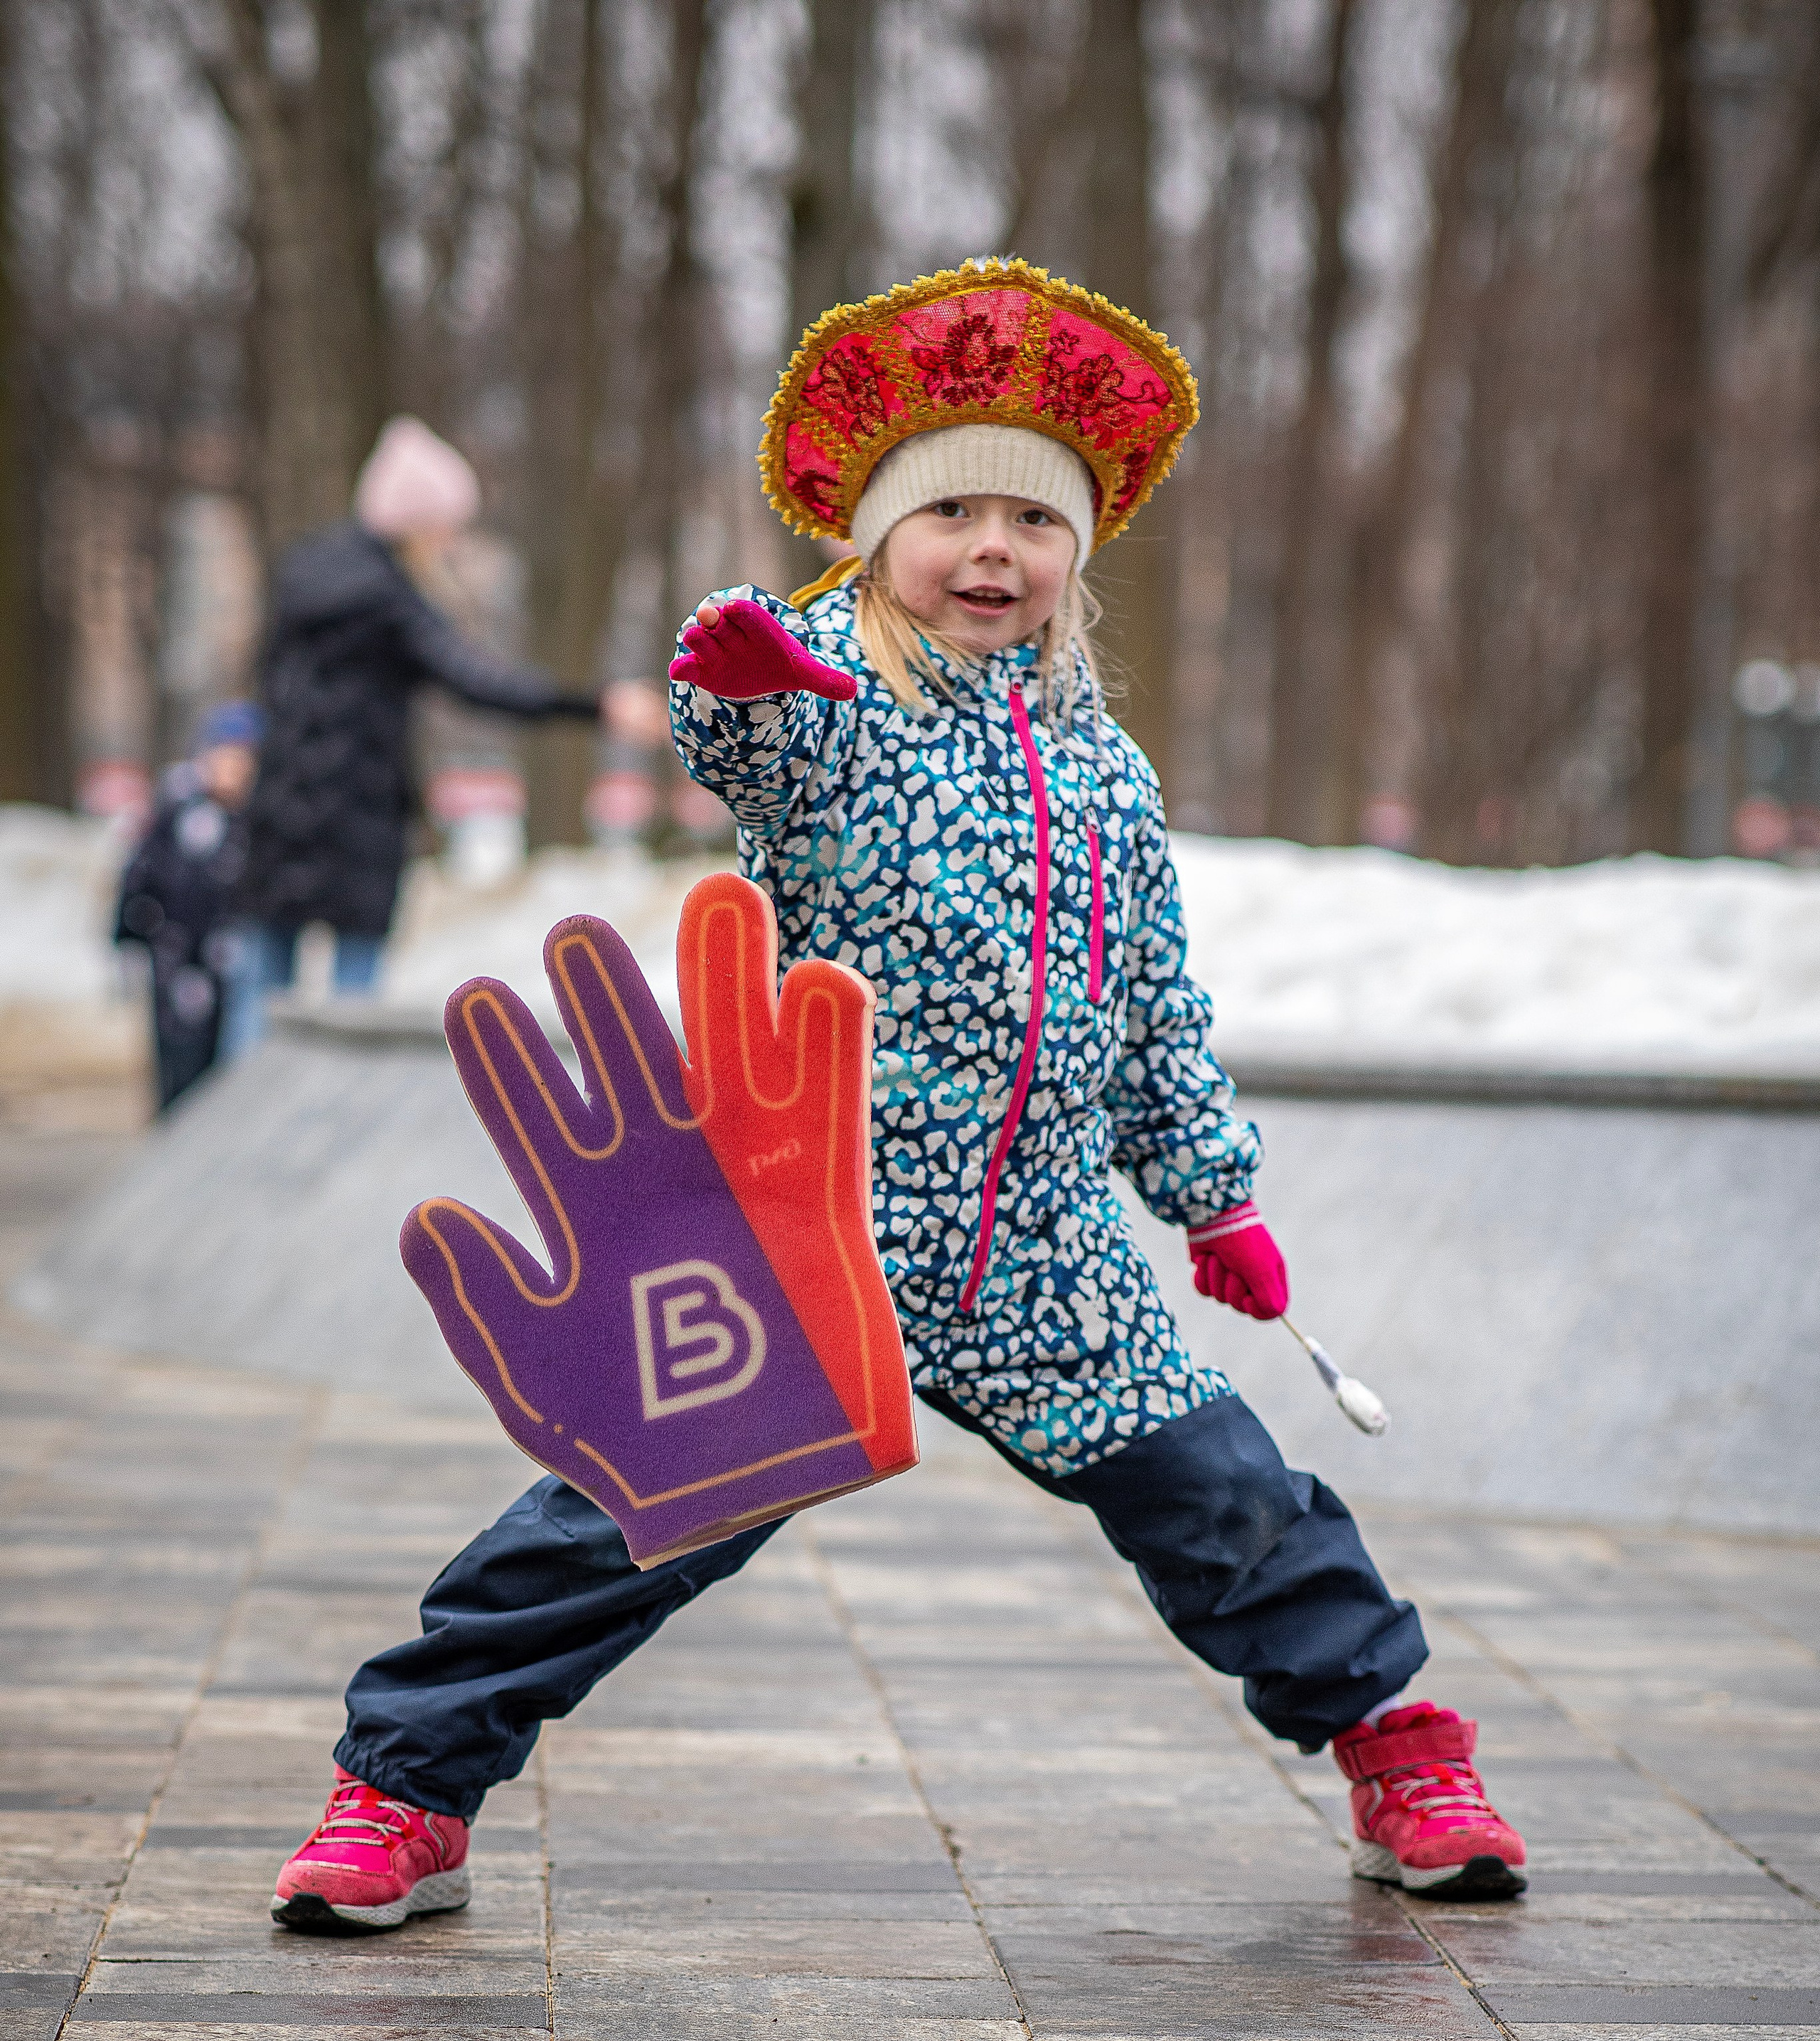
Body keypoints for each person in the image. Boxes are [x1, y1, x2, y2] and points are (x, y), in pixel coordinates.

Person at [270, 261, 1528, 1934]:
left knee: (1226, 1502)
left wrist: (1210, 1193)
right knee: (618, 1520)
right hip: (809, 1226)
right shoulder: (834, 706)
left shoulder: (1106, 774)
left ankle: (1393, 1745)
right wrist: (739, 691)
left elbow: (1151, 1003)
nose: (989, 547)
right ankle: (404, 1788)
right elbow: (746, 741)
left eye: (1030, 515)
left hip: (1043, 1248)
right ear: (873, 538)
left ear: (1077, 549)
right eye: (948, 515)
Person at [236, 416, 606, 1036]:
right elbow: (474, 679)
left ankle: (235, 1122)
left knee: (258, 993)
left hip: (280, 812)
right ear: (418, 522)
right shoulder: (391, 600)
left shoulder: (302, 576)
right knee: (353, 1010)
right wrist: (589, 706)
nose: (451, 541)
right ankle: (335, 1126)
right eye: (448, 527)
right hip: (359, 819)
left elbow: (264, 682)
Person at [112, 701, 263, 1111]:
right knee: (178, 1061)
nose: (233, 768)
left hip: (229, 957)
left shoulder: (254, 818)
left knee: (229, 1060)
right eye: (224, 755)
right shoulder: (178, 806)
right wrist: (127, 933)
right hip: (173, 956)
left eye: (244, 758)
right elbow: (141, 872)